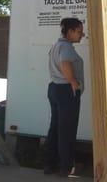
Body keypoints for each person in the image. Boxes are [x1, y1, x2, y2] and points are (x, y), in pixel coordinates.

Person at [43, 17, 85, 177]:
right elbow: (65, 63)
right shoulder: (66, 47)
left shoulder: (56, 45)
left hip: (54, 88)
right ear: (70, 31)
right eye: (79, 32)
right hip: (66, 90)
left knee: (55, 127)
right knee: (67, 129)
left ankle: (49, 164)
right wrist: (74, 82)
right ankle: (65, 167)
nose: (82, 35)